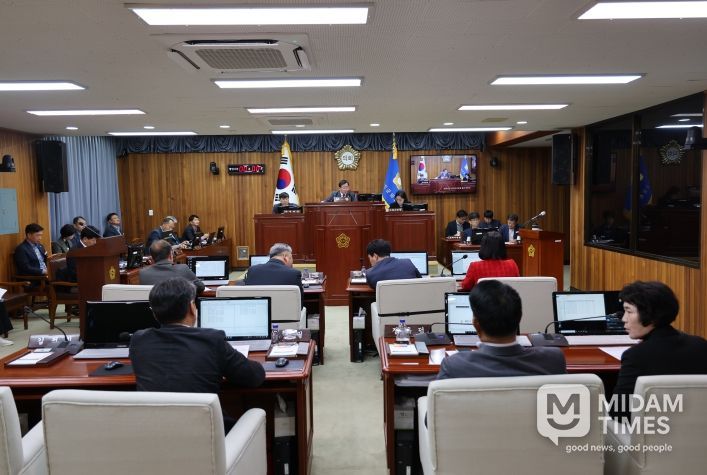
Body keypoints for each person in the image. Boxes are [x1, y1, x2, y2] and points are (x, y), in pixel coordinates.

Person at [129, 277, 265, 431]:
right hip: (211, 435)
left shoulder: (139, 340)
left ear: (154, 313)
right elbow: (254, 377)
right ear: (191, 308)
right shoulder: (211, 340)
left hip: (156, 433)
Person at [611, 281, 707, 419]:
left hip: (653, 430)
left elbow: (619, 412)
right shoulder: (701, 345)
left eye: (629, 311)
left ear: (650, 315)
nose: (623, 319)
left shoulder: (635, 355)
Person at [437, 279, 566, 379]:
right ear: (519, 318)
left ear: (476, 325)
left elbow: (436, 406)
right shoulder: (554, 359)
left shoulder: (454, 366)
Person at [139, 239, 205, 293]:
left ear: (151, 258)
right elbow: (201, 287)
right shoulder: (182, 269)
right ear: (171, 255)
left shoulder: (143, 273)